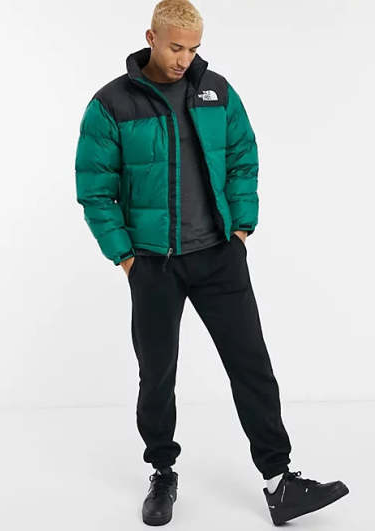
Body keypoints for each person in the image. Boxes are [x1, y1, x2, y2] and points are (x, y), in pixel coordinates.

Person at [75, 0, 349, 526]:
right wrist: (126, 258)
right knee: (157, 376)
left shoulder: (217, 92)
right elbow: (95, 188)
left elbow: (244, 157)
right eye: (176, 47)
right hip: (153, 264)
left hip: (219, 258)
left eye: (194, 48)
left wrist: (240, 230)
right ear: (151, 38)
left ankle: (280, 482)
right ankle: (162, 473)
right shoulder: (112, 103)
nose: (185, 59)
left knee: (252, 367)